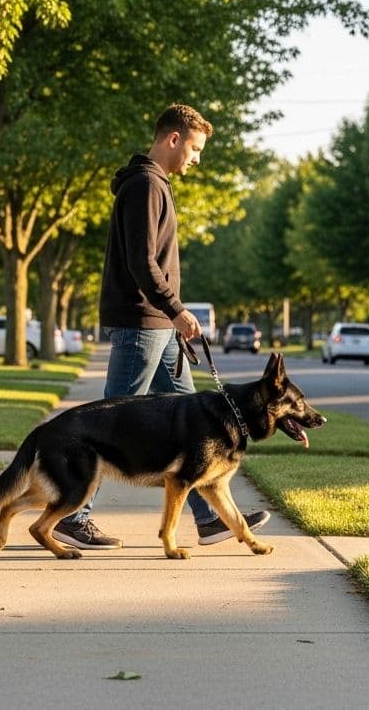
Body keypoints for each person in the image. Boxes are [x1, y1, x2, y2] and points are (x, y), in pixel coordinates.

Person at [52, 103, 270, 550]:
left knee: (197, 424)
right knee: (110, 420)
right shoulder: (147, 186)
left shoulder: (155, 185)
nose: (196, 158)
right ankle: (73, 515)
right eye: (194, 148)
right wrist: (174, 308)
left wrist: (172, 315)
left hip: (159, 324)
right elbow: (141, 262)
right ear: (173, 138)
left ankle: (210, 518)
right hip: (142, 322)